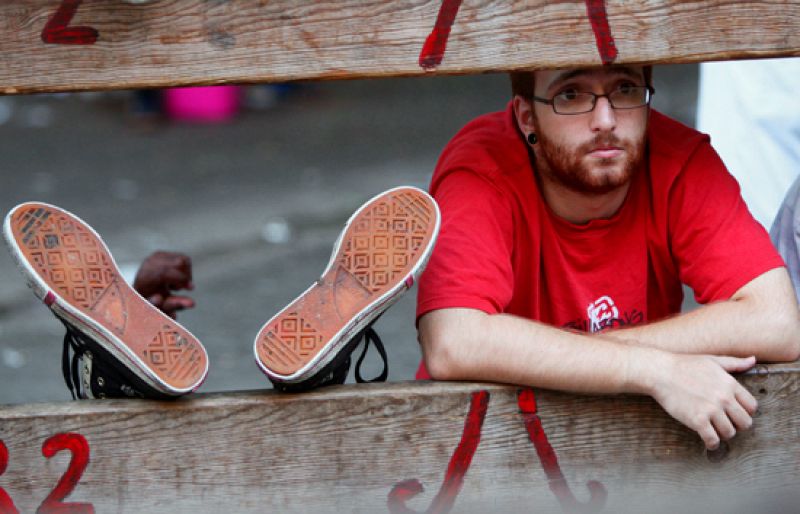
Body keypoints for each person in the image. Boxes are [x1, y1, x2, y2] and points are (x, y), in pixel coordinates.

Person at [415, 65, 800, 451]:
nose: (605, 120)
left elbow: (777, 322)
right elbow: (453, 343)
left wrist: (574, 359)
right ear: (527, 116)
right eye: (571, 95)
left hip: (636, 449)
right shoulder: (483, 165)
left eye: (625, 89)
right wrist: (652, 368)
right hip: (484, 449)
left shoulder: (678, 157)